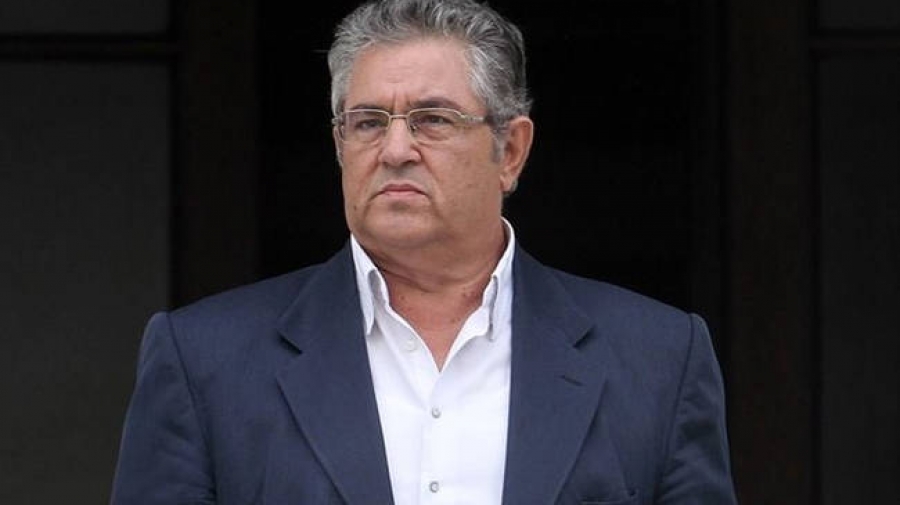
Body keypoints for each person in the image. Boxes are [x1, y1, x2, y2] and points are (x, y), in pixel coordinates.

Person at [111, 0, 738, 503]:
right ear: (339, 145)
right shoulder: (204, 361)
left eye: (432, 119)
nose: (394, 150)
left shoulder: (659, 359)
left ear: (510, 151)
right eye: (367, 122)